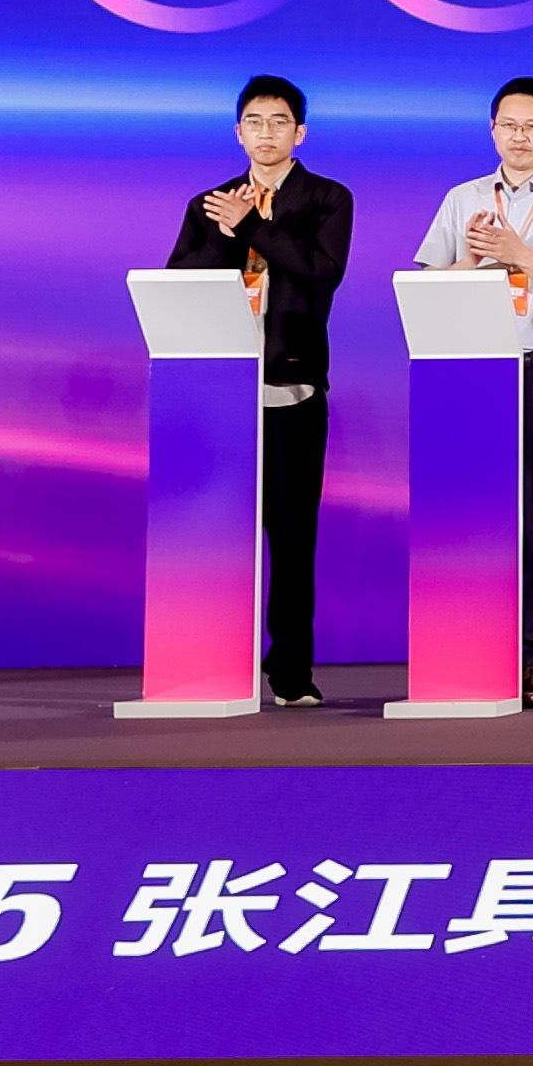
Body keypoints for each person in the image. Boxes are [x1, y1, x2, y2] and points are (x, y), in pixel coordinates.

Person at [411, 75, 533, 710]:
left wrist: (519, 254)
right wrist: (473, 264)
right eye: (508, 126)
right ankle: (470, 644)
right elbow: (428, 289)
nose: (519, 137)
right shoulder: (462, 198)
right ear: (492, 130)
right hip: (472, 372)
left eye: (532, 127)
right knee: (472, 511)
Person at [161, 73, 352, 709]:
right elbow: (179, 283)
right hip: (222, 393)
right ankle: (209, 660)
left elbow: (321, 273)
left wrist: (253, 226)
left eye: (279, 122)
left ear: (300, 132)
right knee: (214, 531)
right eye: (254, 122)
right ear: (237, 132)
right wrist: (228, 231)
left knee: (293, 539)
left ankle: (291, 671)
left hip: (292, 386)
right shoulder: (209, 204)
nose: (266, 133)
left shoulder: (327, 198)